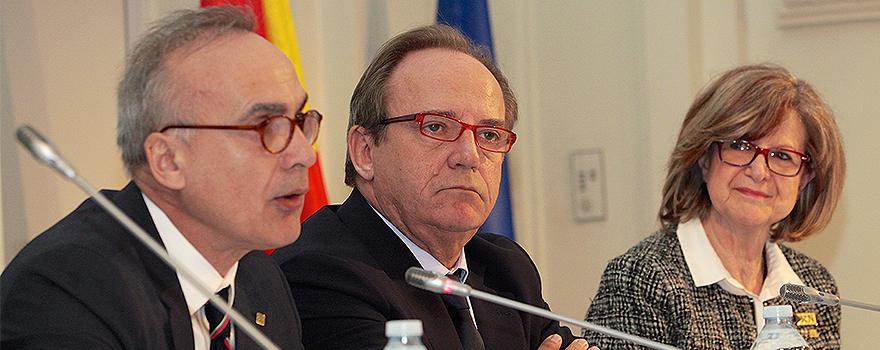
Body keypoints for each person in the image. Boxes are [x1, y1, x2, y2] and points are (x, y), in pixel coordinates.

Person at [1, 6, 317, 350]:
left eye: (300, 121)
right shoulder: (67, 289)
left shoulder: (260, 279)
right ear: (168, 161)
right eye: (266, 126)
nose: (305, 155)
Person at [271, 25, 594, 350]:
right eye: (436, 126)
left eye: (489, 135)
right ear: (365, 152)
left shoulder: (505, 270)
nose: (469, 156)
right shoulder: (321, 275)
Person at [583, 64, 845, 350]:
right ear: (704, 157)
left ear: (806, 177)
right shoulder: (641, 279)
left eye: (782, 155)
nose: (759, 171)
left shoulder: (813, 286)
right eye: (741, 145)